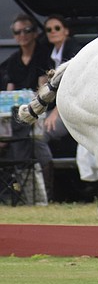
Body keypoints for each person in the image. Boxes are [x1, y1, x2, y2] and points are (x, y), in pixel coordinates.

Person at [0, 14, 54, 202]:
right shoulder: (14, 60)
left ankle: (47, 192)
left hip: (40, 108)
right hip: (18, 112)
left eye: (26, 30)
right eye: (17, 32)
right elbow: (9, 92)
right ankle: (12, 192)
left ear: (34, 33)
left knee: (36, 140)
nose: (22, 35)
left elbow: (42, 91)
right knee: (7, 140)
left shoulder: (43, 55)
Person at [41, 15, 83, 140]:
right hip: (58, 106)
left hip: (74, 108)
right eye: (49, 30)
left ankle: (46, 161)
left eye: (57, 28)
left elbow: (71, 89)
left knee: (40, 134)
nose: (53, 31)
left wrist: (55, 114)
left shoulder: (74, 52)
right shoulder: (50, 54)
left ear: (66, 31)